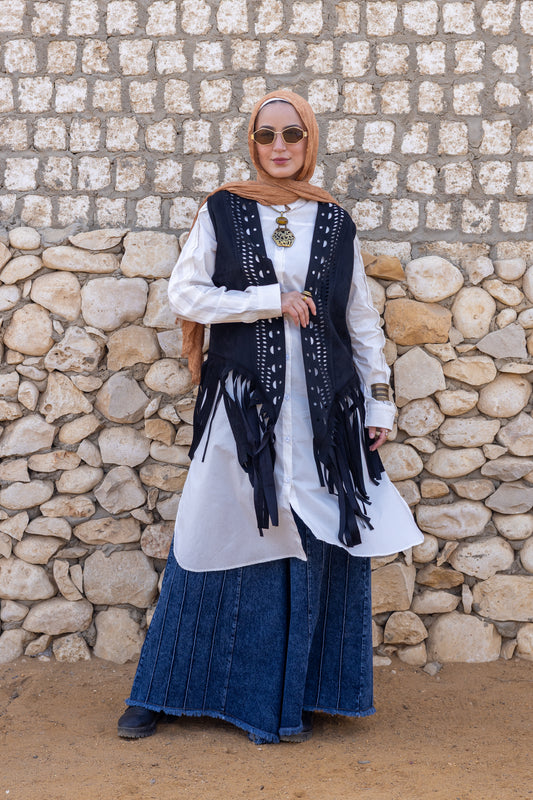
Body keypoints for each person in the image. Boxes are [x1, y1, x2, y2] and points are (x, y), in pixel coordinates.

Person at [117, 89, 423, 744]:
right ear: (251, 142)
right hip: (242, 410)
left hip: (323, 417)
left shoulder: (335, 221)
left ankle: (303, 696)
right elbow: (186, 293)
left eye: (291, 134)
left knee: (315, 542)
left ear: (308, 140)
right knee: (210, 537)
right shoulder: (223, 210)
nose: (278, 146)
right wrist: (267, 300)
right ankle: (162, 691)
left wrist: (378, 402)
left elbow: (359, 320)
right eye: (265, 135)